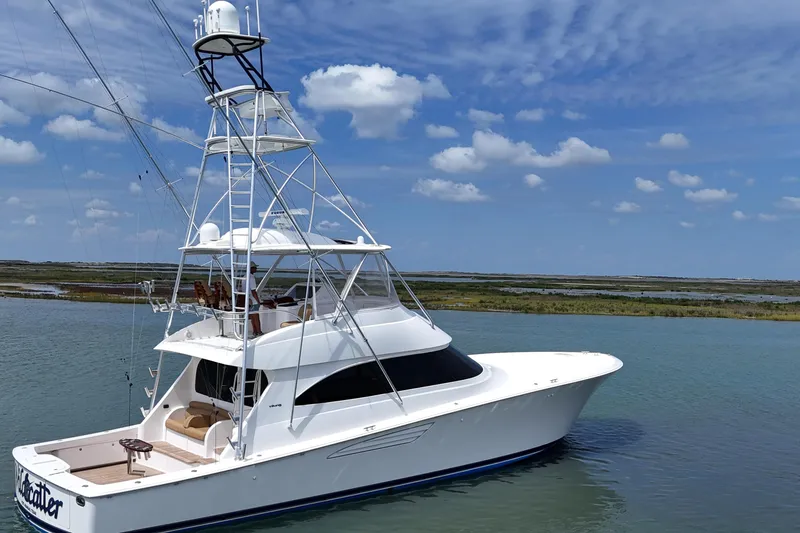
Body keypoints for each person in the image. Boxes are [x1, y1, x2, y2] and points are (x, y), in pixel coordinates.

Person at [237, 261, 263, 336]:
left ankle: (255, 331)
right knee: (256, 316)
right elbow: (253, 291)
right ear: (251, 268)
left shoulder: (244, 277)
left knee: (252, 316)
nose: (256, 269)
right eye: (255, 267)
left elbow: (243, 290)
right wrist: (258, 301)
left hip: (248, 300)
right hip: (253, 300)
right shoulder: (251, 278)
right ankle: (259, 332)